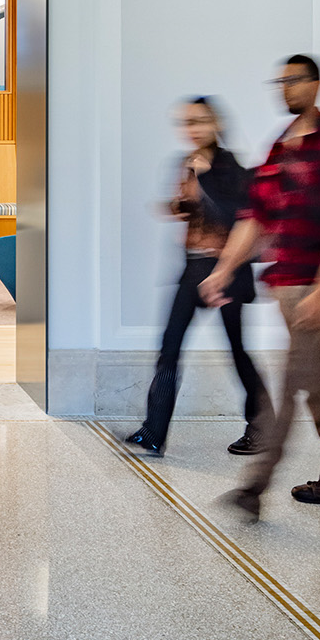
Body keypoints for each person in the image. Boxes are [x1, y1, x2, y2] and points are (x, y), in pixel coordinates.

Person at [201, 54, 320, 517]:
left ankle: (254, 488)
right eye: (280, 81)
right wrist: (222, 269)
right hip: (287, 284)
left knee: (294, 382)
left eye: (294, 80)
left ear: (316, 85)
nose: (285, 88)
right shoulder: (280, 148)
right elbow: (256, 217)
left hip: (313, 286)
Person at [124, 97, 272, 458]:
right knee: (170, 346)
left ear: (216, 124)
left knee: (237, 350)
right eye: (188, 122)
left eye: (201, 121)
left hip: (226, 270)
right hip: (193, 267)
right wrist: (177, 205)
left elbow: (238, 217)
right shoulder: (185, 164)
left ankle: (263, 427)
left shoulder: (230, 167)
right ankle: (153, 430)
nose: (193, 128)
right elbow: (191, 209)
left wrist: (204, 177)